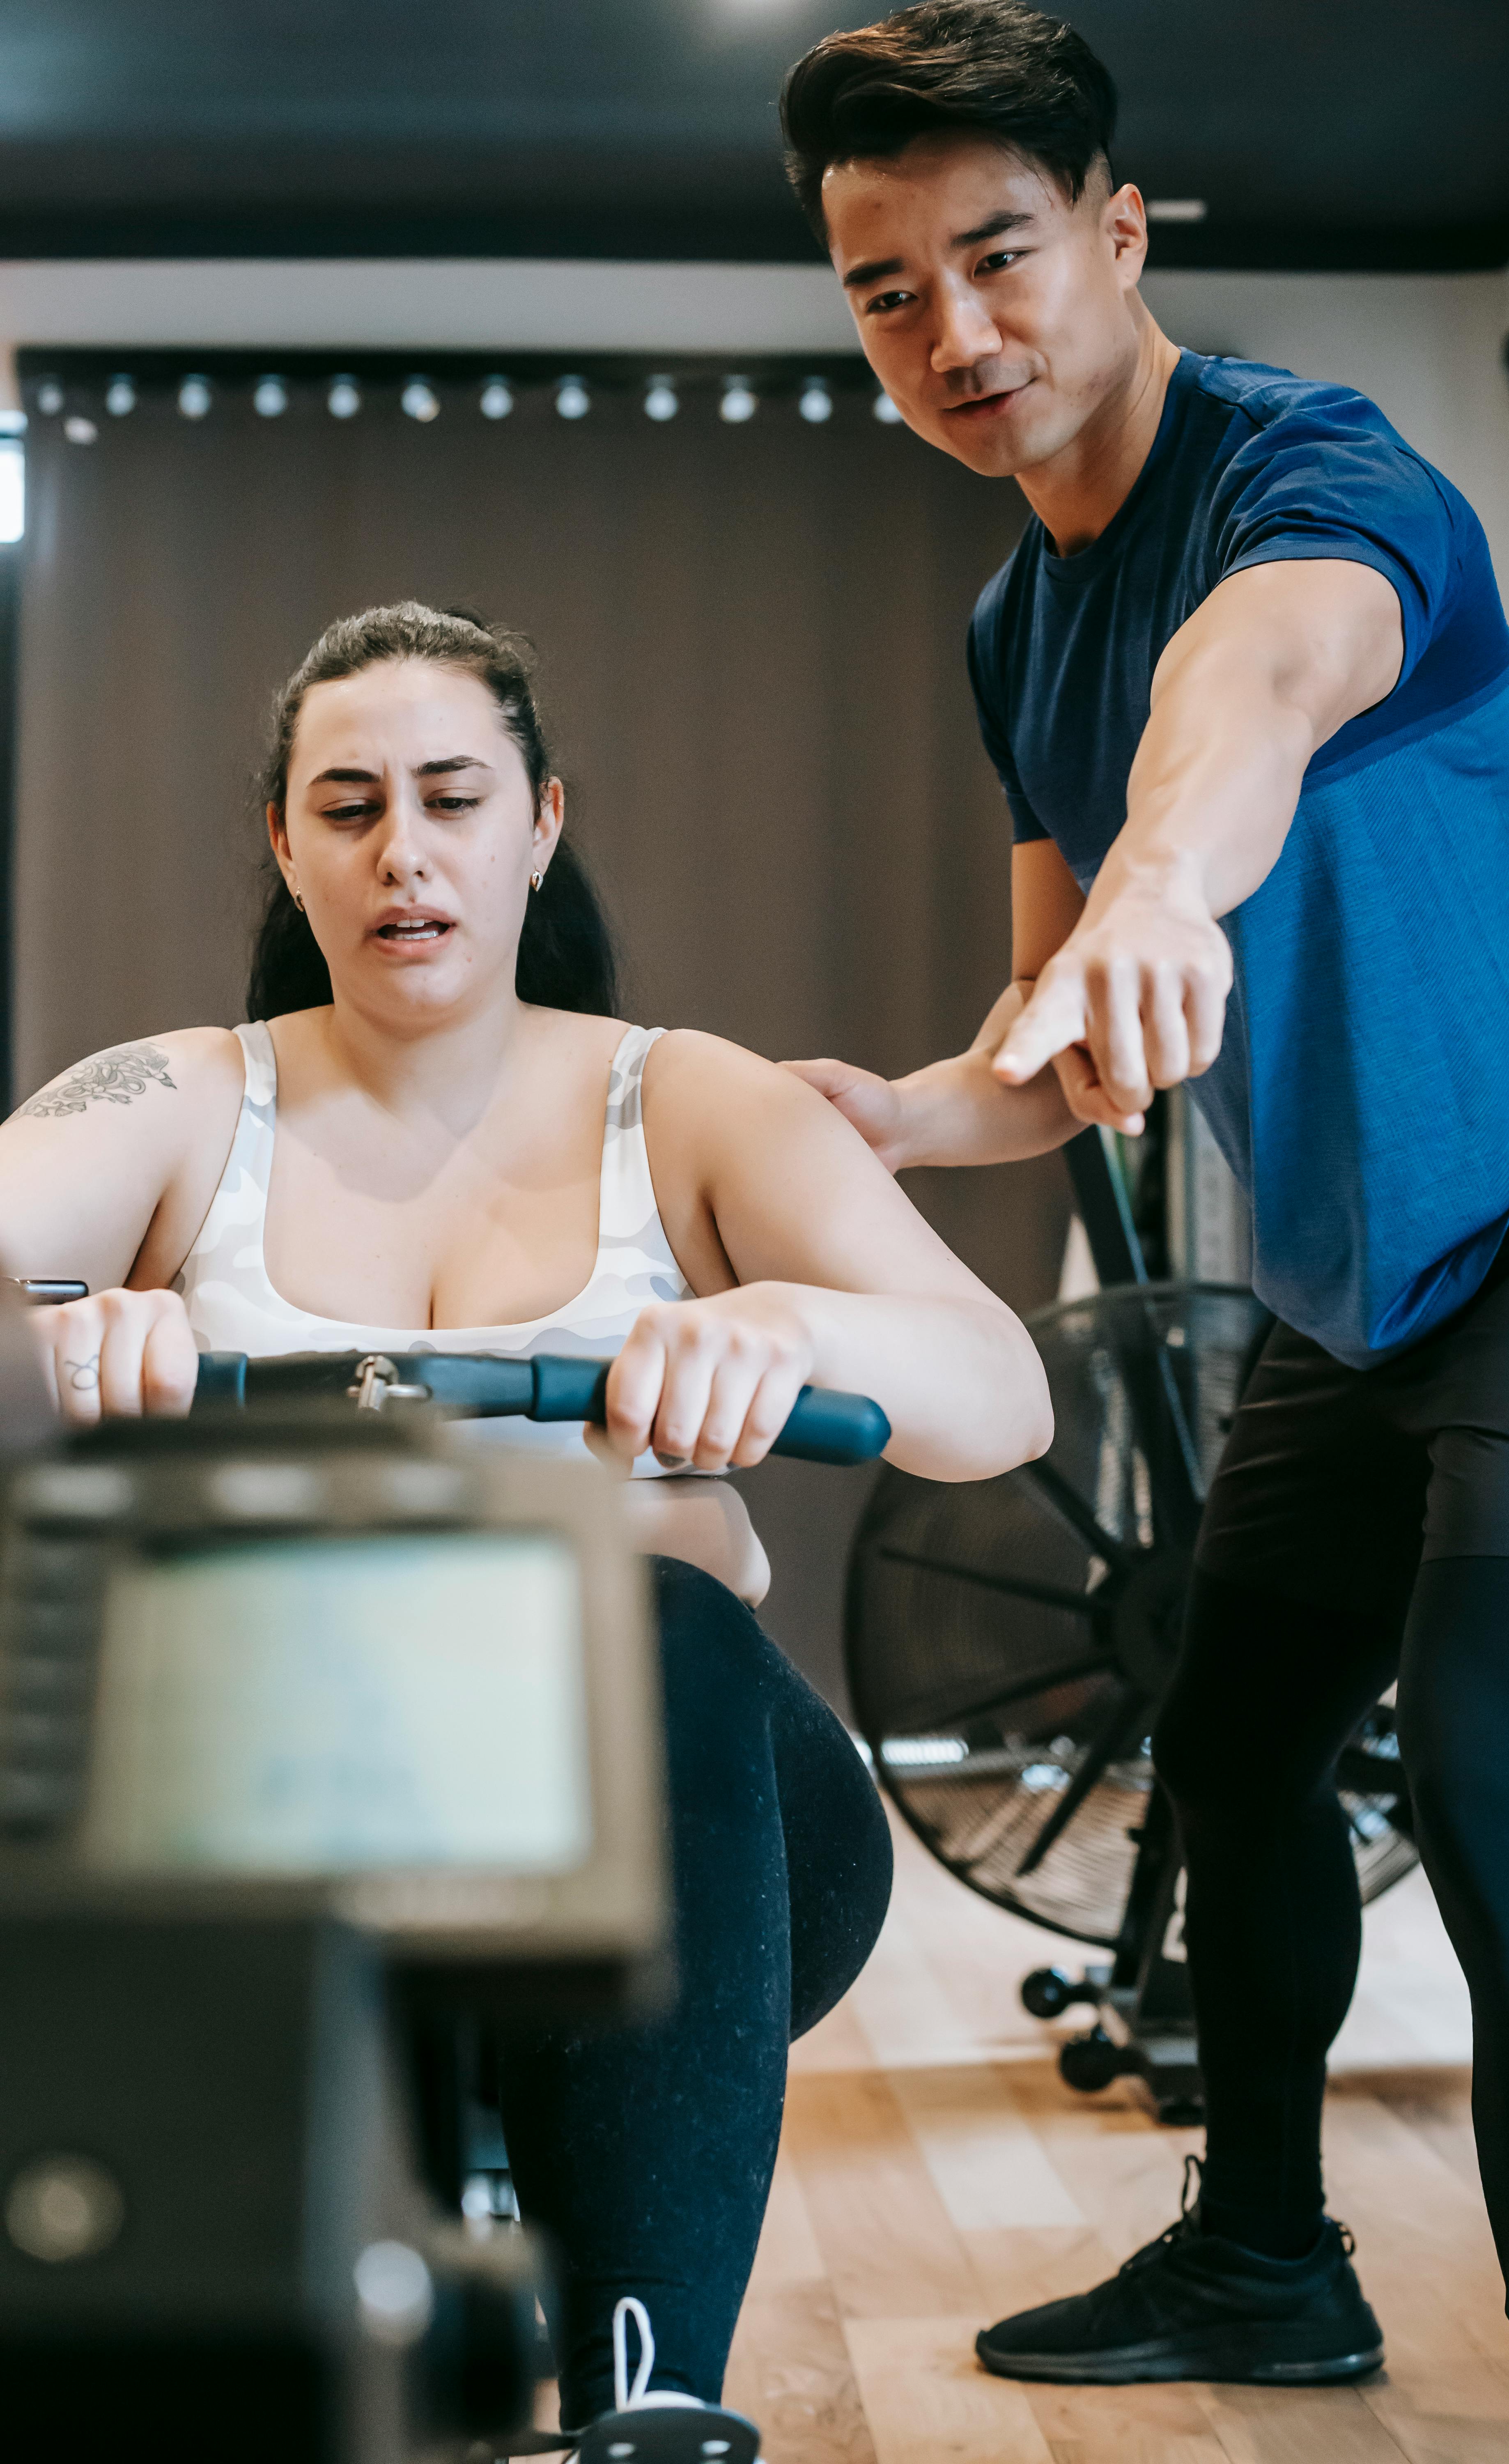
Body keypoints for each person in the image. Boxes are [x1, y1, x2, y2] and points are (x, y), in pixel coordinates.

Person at [777, 8, 1509, 2459]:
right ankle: (1270, 2255)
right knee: (1235, 1750)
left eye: (1002, 255)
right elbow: (1059, 1040)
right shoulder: (1005, 627)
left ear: (1122, 232)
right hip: (1366, 1305)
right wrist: (889, 1114)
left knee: (1488, 1775)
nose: (957, 334)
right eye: (887, 291)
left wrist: (1170, 876)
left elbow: (1250, 703)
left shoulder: (1325, 479)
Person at [0, 599, 1053, 2430]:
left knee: (635, 1622)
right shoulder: (174, 1098)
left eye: (451, 796)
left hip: (692, 1850)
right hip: (281, 1824)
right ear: (285, 843)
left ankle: (648, 2407)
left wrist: (790, 1320)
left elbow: (999, 1399)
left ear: (539, 822)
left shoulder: (693, 1099)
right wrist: (61, 1334)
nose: (402, 851)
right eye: (346, 806)